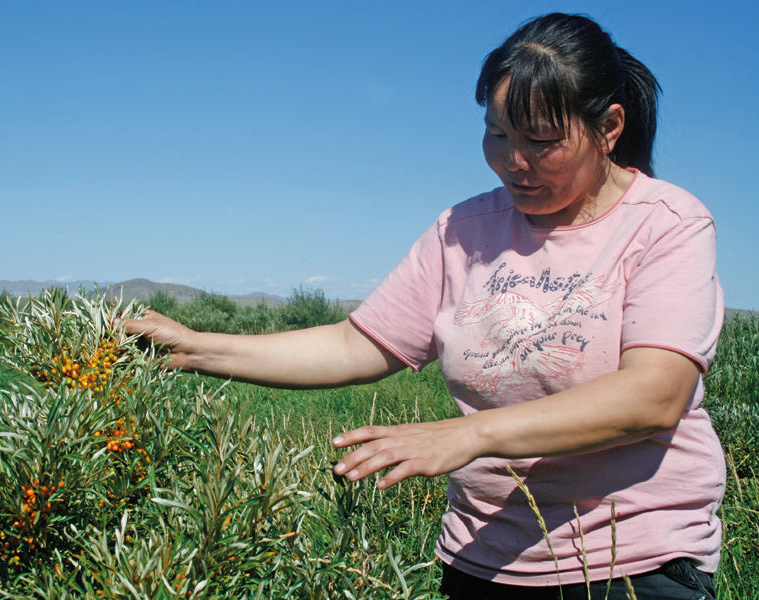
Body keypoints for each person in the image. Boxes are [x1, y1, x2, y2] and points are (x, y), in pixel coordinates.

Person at [123, 12, 724, 600]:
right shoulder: (464, 229)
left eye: (540, 141)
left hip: (633, 563)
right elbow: (355, 344)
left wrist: (469, 435)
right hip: (482, 561)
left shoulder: (667, 224)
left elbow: (654, 395)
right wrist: (197, 346)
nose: (514, 161)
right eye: (498, 135)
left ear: (609, 128)